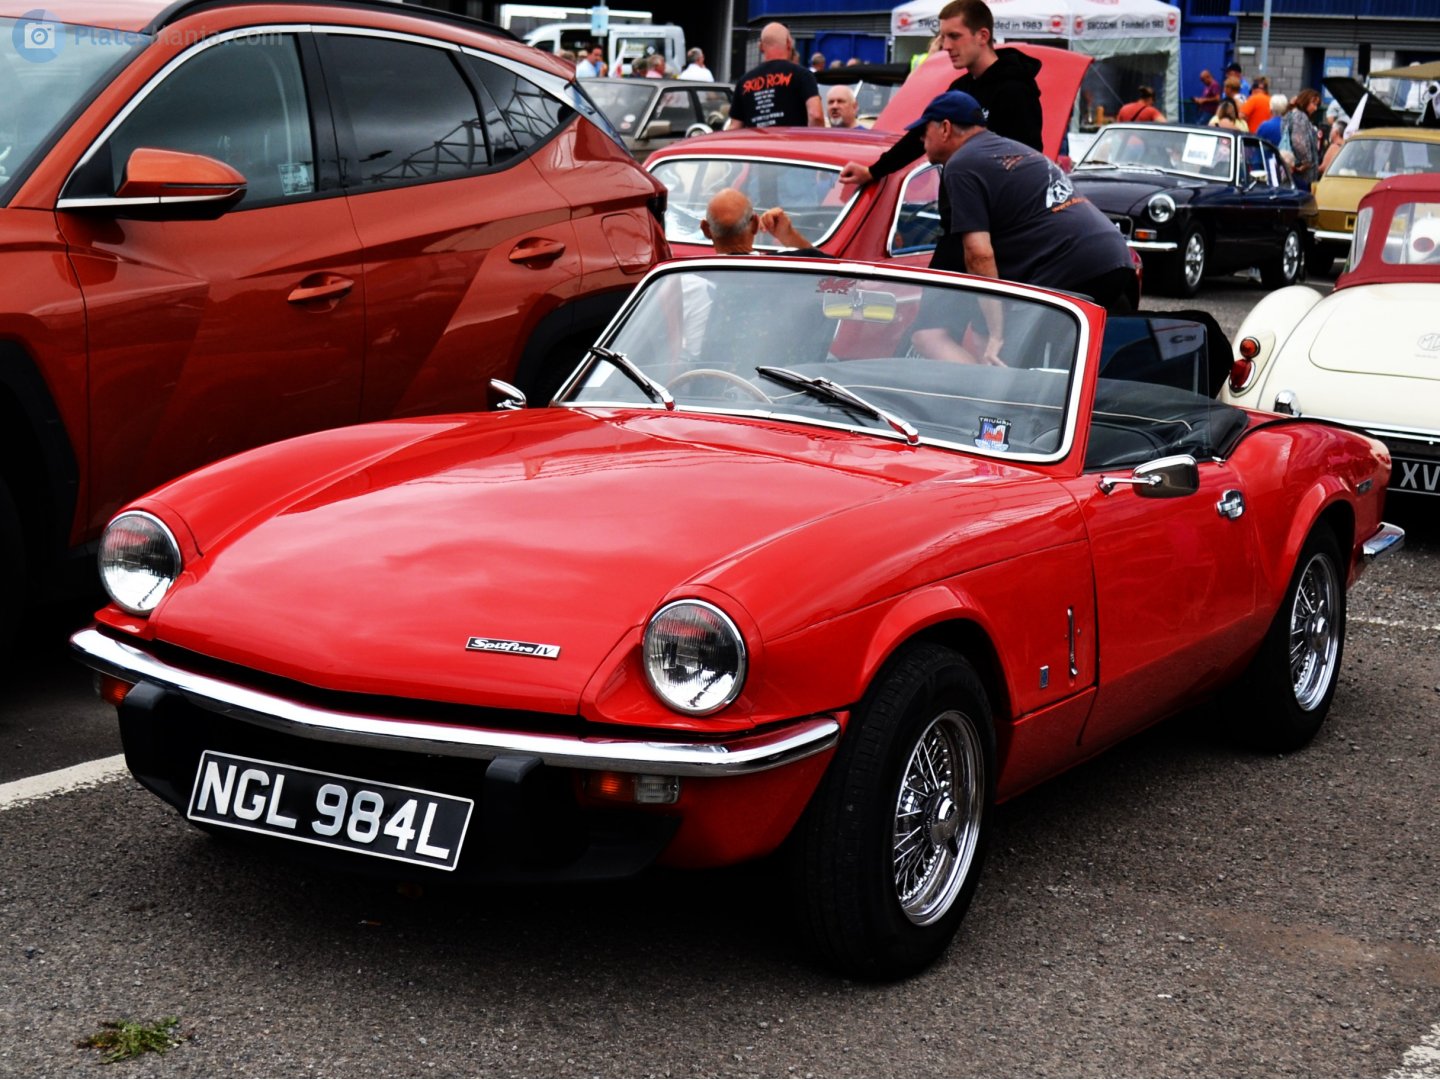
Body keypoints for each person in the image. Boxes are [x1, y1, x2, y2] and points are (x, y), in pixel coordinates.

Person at [905, 91, 1135, 364]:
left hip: (1070, 266)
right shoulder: (1013, 149)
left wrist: (997, 333)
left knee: (1001, 357)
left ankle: (996, 403)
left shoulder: (961, 163)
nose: (921, 139)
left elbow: (979, 253)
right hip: (1116, 258)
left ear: (944, 128)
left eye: (924, 130)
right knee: (1079, 366)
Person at [837, 0, 1043, 240]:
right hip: (958, 220)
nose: (946, 46)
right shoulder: (961, 87)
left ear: (982, 36)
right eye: (943, 37)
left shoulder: (1015, 89)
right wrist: (873, 171)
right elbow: (921, 135)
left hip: (997, 228)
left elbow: (1027, 160)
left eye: (954, 36)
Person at [727, 23, 823, 129]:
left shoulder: (744, 82)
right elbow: (815, 116)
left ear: (761, 47)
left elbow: (735, 127)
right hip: (791, 144)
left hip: (757, 145)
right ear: (788, 43)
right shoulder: (803, 75)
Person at [700, 188, 825, 256]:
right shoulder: (786, 266)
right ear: (755, 224)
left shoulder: (690, 279)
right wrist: (788, 235)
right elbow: (825, 265)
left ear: (706, 229)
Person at [1284, 88, 1322, 190]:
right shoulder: (1300, 117)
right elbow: (1298, 142)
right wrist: (1306, 162)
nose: (1315, 108)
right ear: (1305, 100)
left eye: (1317, 105)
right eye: (1313, 104)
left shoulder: (1293, 114)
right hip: (1302, 174)